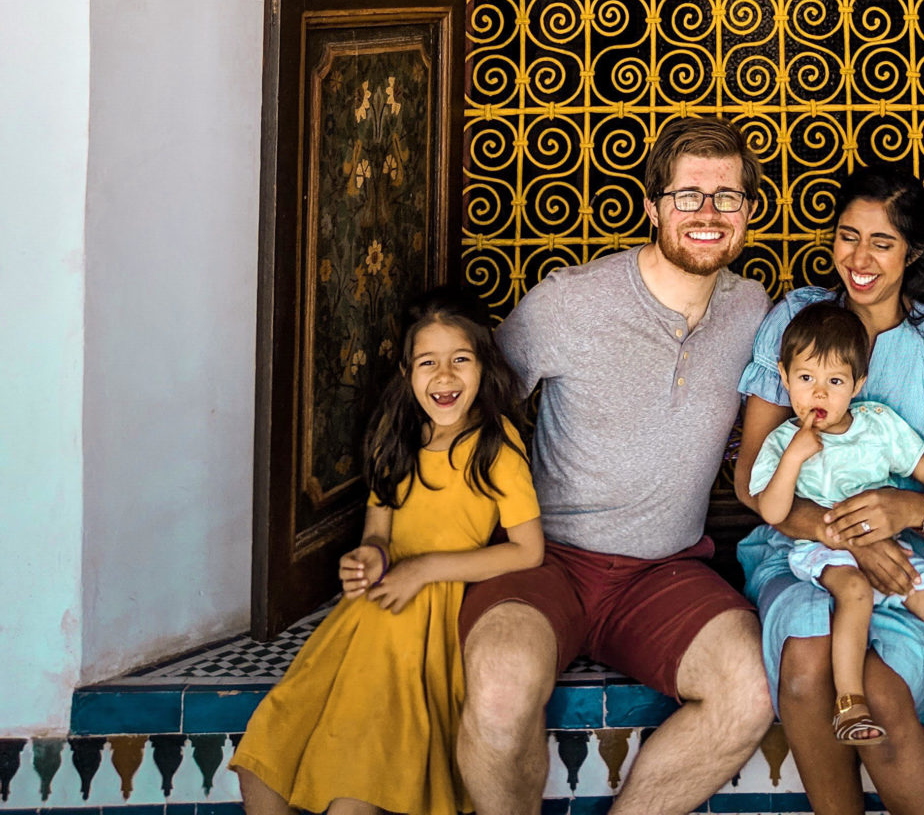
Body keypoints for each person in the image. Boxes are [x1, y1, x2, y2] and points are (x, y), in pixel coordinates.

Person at [455, 114, 775, 815]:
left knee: (749, 687)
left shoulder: (755, 311)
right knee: (501, 694)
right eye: (688, 195)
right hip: (544, 559)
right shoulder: (569, 302)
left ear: (750, 212)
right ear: (653, 206)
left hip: (665, 571)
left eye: (728, 197)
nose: (708, 213)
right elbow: (475, 406)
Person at [735, 165, 924, 815]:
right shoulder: (797, 319)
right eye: (847, 236)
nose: (860, 259)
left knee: (882, 700)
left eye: (882, 242)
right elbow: (753, 481)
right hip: (800, 549)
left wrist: (910, 507)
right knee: (807, 668)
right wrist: (845, 538)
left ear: (913, 251)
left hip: (914, 564)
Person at [234, 292, 543, 815]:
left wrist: (424, 569)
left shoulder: (495, 444)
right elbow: (377, 532)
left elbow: (527, 551)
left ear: (484, 366)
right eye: (428, 363)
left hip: (425, 622)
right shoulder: (394, 438)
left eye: (460, 360)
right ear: (406, 371)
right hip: (366, 619)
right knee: (263, 760)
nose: (444, 377)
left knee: (358, 785)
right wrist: (370, 558)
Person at [748, 301, 924, 787]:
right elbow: (773, 511)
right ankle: (849, 703)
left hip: (892, 545)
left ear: (858, 385)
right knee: (855, 593)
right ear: (784, 376)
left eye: (835, 383)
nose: (818, 393)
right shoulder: (783, 442)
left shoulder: (877, 424)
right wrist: (795, 458)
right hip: (822, 551)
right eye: (805, 380)